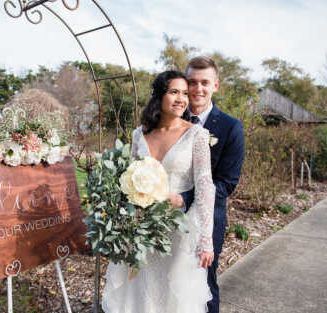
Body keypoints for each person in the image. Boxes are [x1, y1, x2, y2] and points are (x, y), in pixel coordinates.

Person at [102, 70, 216, 313]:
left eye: (185, 94)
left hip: (179, 231)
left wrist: (206, 239)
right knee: (140, 292)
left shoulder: (197, 135)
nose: (181, 99)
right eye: (174, 92)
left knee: (172, 296)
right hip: (141, 228)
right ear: (159, 95)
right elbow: (127, 179)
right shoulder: (139, 134)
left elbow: (205, 185)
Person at [181, 56, 245, 313]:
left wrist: (183, 197)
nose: (198, 89)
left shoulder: (231, 127)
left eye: (204, 82)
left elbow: (227, 184)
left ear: (215, 85)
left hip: (207, 220)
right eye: (192, 82)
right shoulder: (170, 119)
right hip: (167, 219)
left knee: (204, 285)